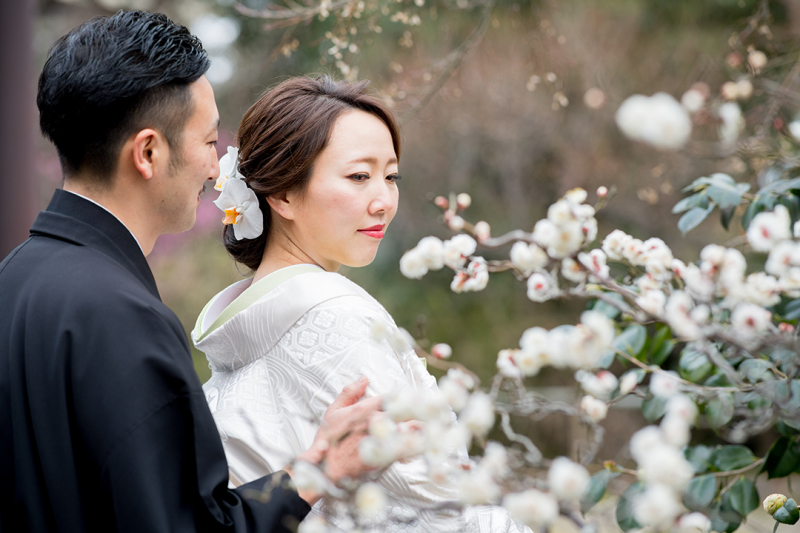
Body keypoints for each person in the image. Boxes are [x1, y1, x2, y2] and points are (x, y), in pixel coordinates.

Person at [0, 11, 381, 533]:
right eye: (207, 143)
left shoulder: (13, 280)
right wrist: (316, 471)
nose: (215, 167)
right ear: (149, 152)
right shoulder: (122, 316)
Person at [192, 76, 527, 532]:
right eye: (359, 177)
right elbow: (436, 505)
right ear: (283, 193)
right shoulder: (336, 318)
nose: (384, 201)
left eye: (390, 177)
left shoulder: (240, 335)